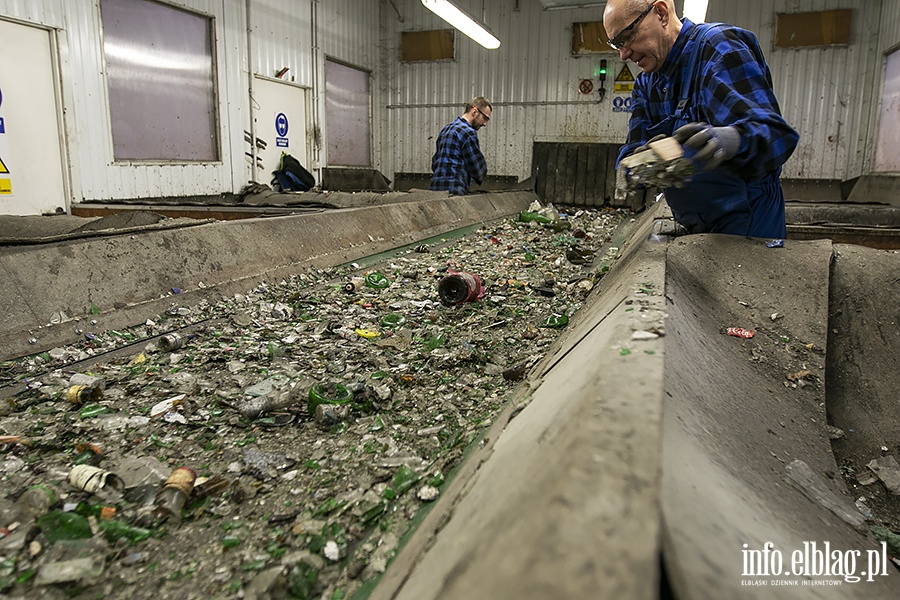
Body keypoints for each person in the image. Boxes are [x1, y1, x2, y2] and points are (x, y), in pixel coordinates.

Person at [603, 0, 799, 238]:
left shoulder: (718, 49)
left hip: (749, 222)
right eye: (617, 44)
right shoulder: (646, 83)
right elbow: (632, 149)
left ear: (661, 13)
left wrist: (727, 141)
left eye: (627, 36)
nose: (623, 54)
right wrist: (633, 166)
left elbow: (777, 136)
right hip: (696, 223)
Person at [430, 97, 492, 196]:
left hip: (435, 189)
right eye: (485, 118)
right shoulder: (467, 132)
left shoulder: (446, 129)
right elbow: (476, 167)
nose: (484, 124)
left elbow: (435, 162)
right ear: (474, 111)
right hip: (454, 190)